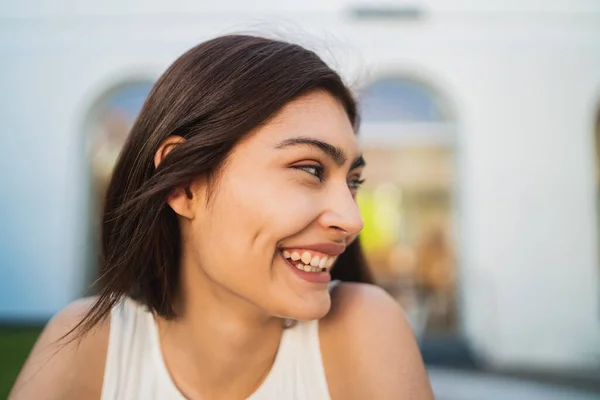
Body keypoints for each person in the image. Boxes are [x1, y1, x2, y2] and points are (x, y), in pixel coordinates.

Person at [10, 35, 433, 400]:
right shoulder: (87, 346)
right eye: (310, 169)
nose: (352, 219)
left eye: (352, 182)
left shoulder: (363, 330)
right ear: (185, 184)